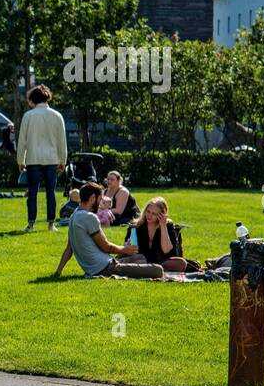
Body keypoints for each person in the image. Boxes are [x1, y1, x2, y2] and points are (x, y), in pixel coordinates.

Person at [54, 182, 162, 279]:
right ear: (92, 198)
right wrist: (125, 250)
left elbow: (69, 247)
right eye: (99, 199)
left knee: (140, 257)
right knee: (158, 270)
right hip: (105, 268)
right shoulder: (89, 217)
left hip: (104, 264)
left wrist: (59, 271)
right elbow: (105, 247)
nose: (100, 204)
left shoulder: (74, 215)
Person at [17, 84, 68, 232]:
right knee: (50, 193)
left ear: (33, 99)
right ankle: (51, 224)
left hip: (33, 160)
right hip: (52, 159)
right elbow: (62, 141)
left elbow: (22, 141)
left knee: (32, 193)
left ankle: (31, 224)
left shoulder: (28, 116)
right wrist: (63, 161)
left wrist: (21, 161)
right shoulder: (57, 115)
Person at [132, 197, 193, 272]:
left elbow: (166, 250)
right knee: (139, 258)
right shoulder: (137, 226)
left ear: (161, 215)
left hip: (162, 262)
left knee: (181, 263)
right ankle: (153, 269)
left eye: (154, 214)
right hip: (141, 260)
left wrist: (163, 226)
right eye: (148, 211)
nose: (149, 216)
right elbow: (130, 249)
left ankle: (154, 269)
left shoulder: (168, 226)